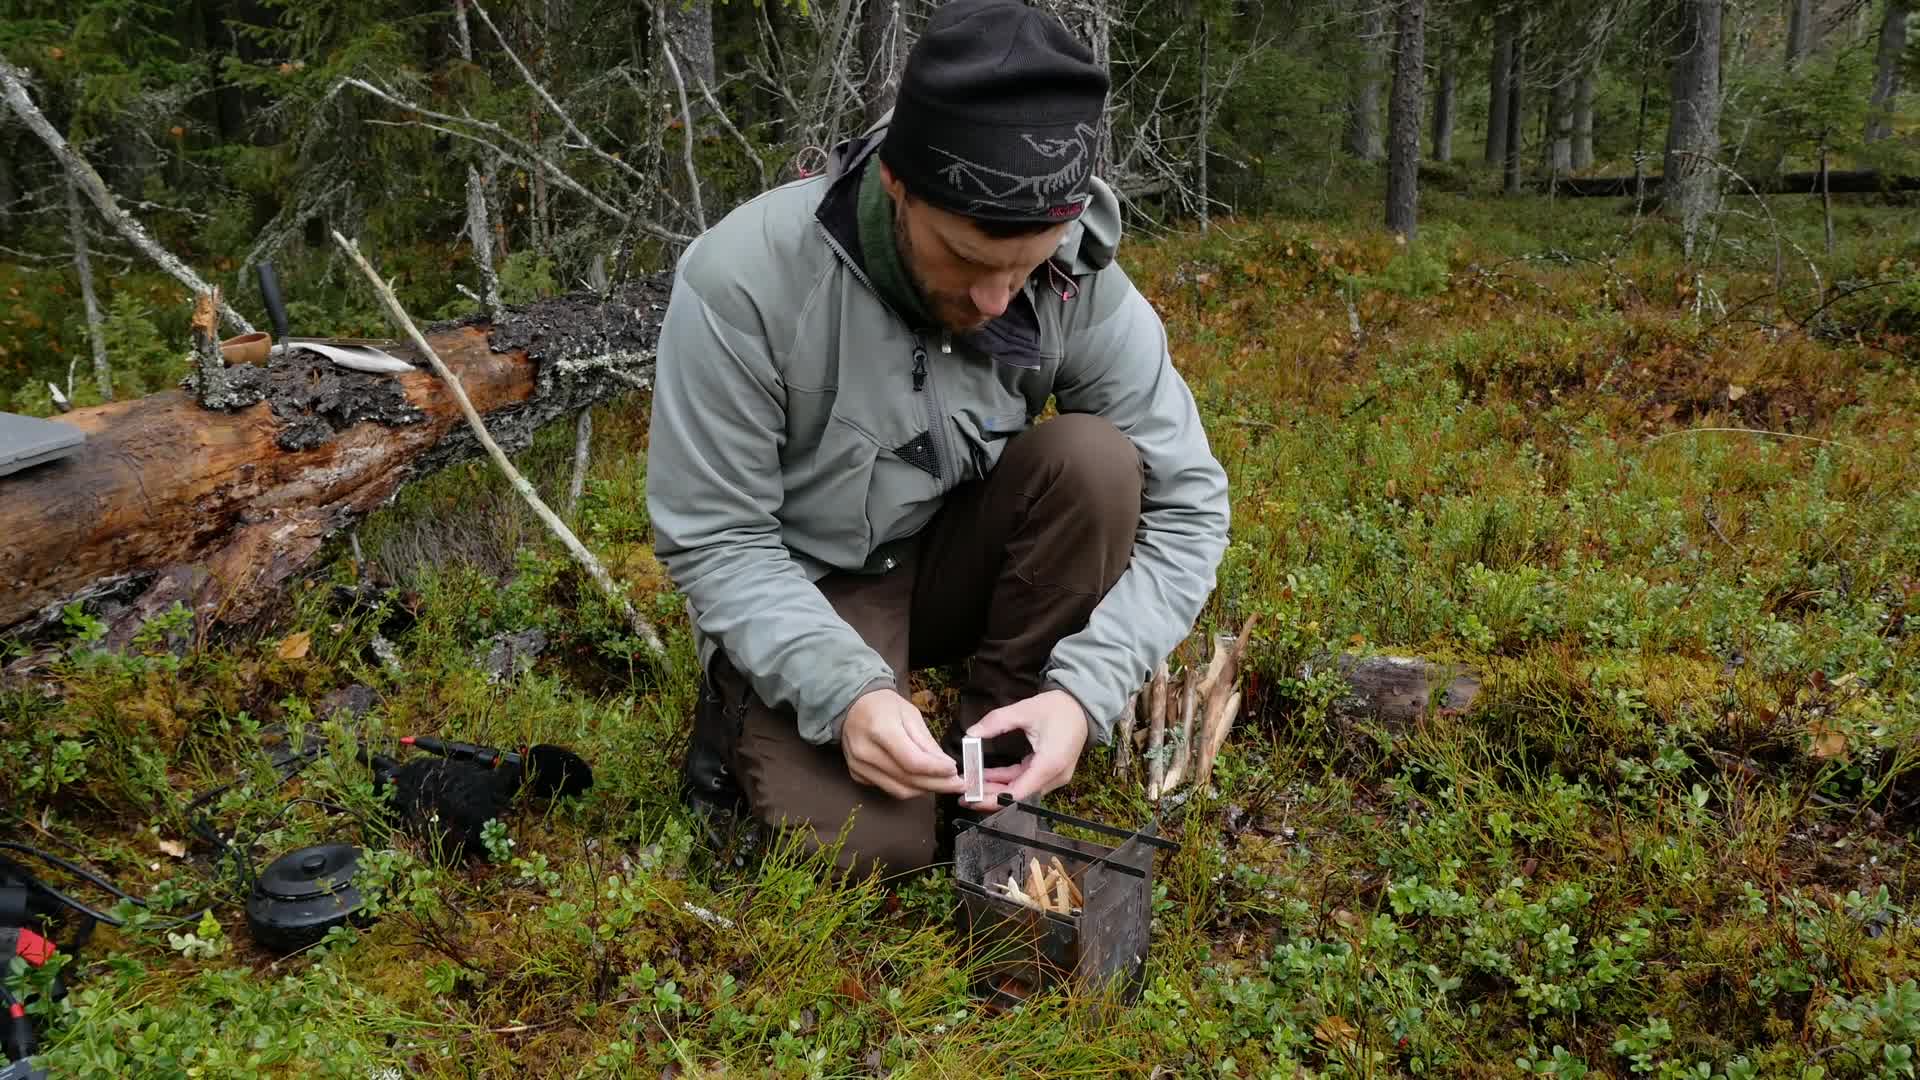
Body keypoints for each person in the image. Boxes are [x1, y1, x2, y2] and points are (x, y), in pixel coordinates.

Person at [645, 0, 1230, 881]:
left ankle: (997, 754)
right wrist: (848, 694)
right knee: (868, 857)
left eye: (1025, 266)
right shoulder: (747, 281)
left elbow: (1191, 506)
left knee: (1097, 465)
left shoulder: (1077, 274)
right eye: (967, 259)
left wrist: (1084, 694)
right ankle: (742, 721)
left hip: (952, 557)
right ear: (897, 186)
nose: (1000, 299)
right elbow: (716, 537)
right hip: (813, 583)